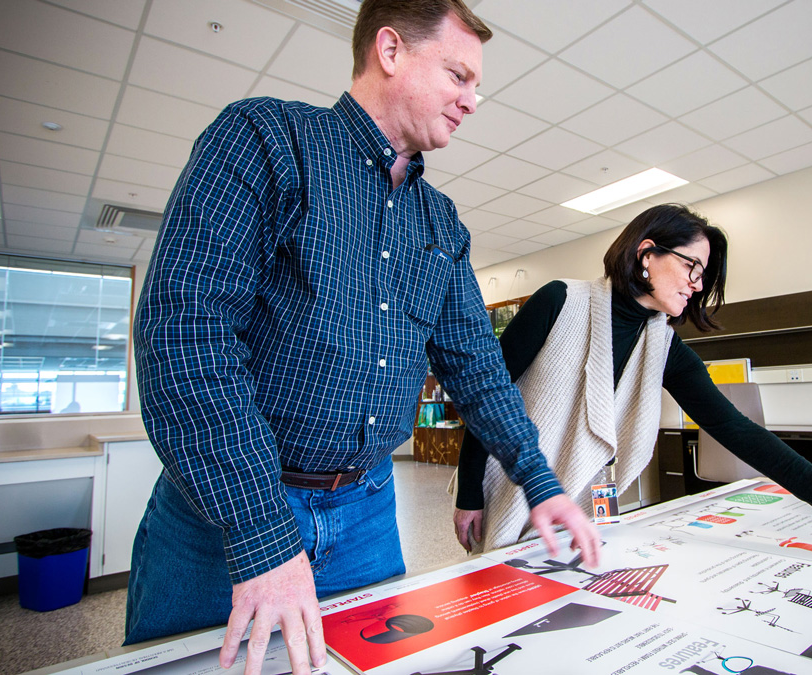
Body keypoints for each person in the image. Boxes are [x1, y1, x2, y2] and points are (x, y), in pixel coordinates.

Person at [127, 2, 599, 674]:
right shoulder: (266, 141)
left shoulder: (440, 221)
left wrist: (540, 479)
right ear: (390, 49)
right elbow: (185, 335)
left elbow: (478, 368)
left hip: (367, 515)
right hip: (227, 511)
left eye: (477, 86)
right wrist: (263, 531)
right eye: (460, 76)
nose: (473, 101)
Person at [452, 204, 812, 566]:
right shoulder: (560, 301)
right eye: (691, 266)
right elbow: (487, 398)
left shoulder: (663, 347)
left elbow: (737, 430)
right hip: (511, 489)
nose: (696, 283)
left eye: (702, 275)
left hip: (583, 507)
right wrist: (469, 493)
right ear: (647, 254)